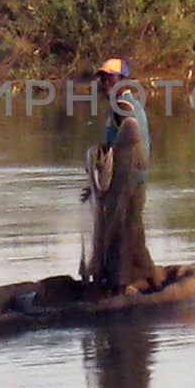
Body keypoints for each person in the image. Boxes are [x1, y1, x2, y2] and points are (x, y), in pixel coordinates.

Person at [82, 58, 164, 295]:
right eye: (104, 78)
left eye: (111, 78)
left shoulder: (124, 105)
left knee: (120, 229)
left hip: (129, 177)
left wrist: (114, 154)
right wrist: (95, 184)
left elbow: (131, 131)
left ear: (123, 80)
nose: (106, 82)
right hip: (128, 177)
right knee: (131, 227)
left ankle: (123, 283)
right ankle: (147, 276)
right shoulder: (124, 104)